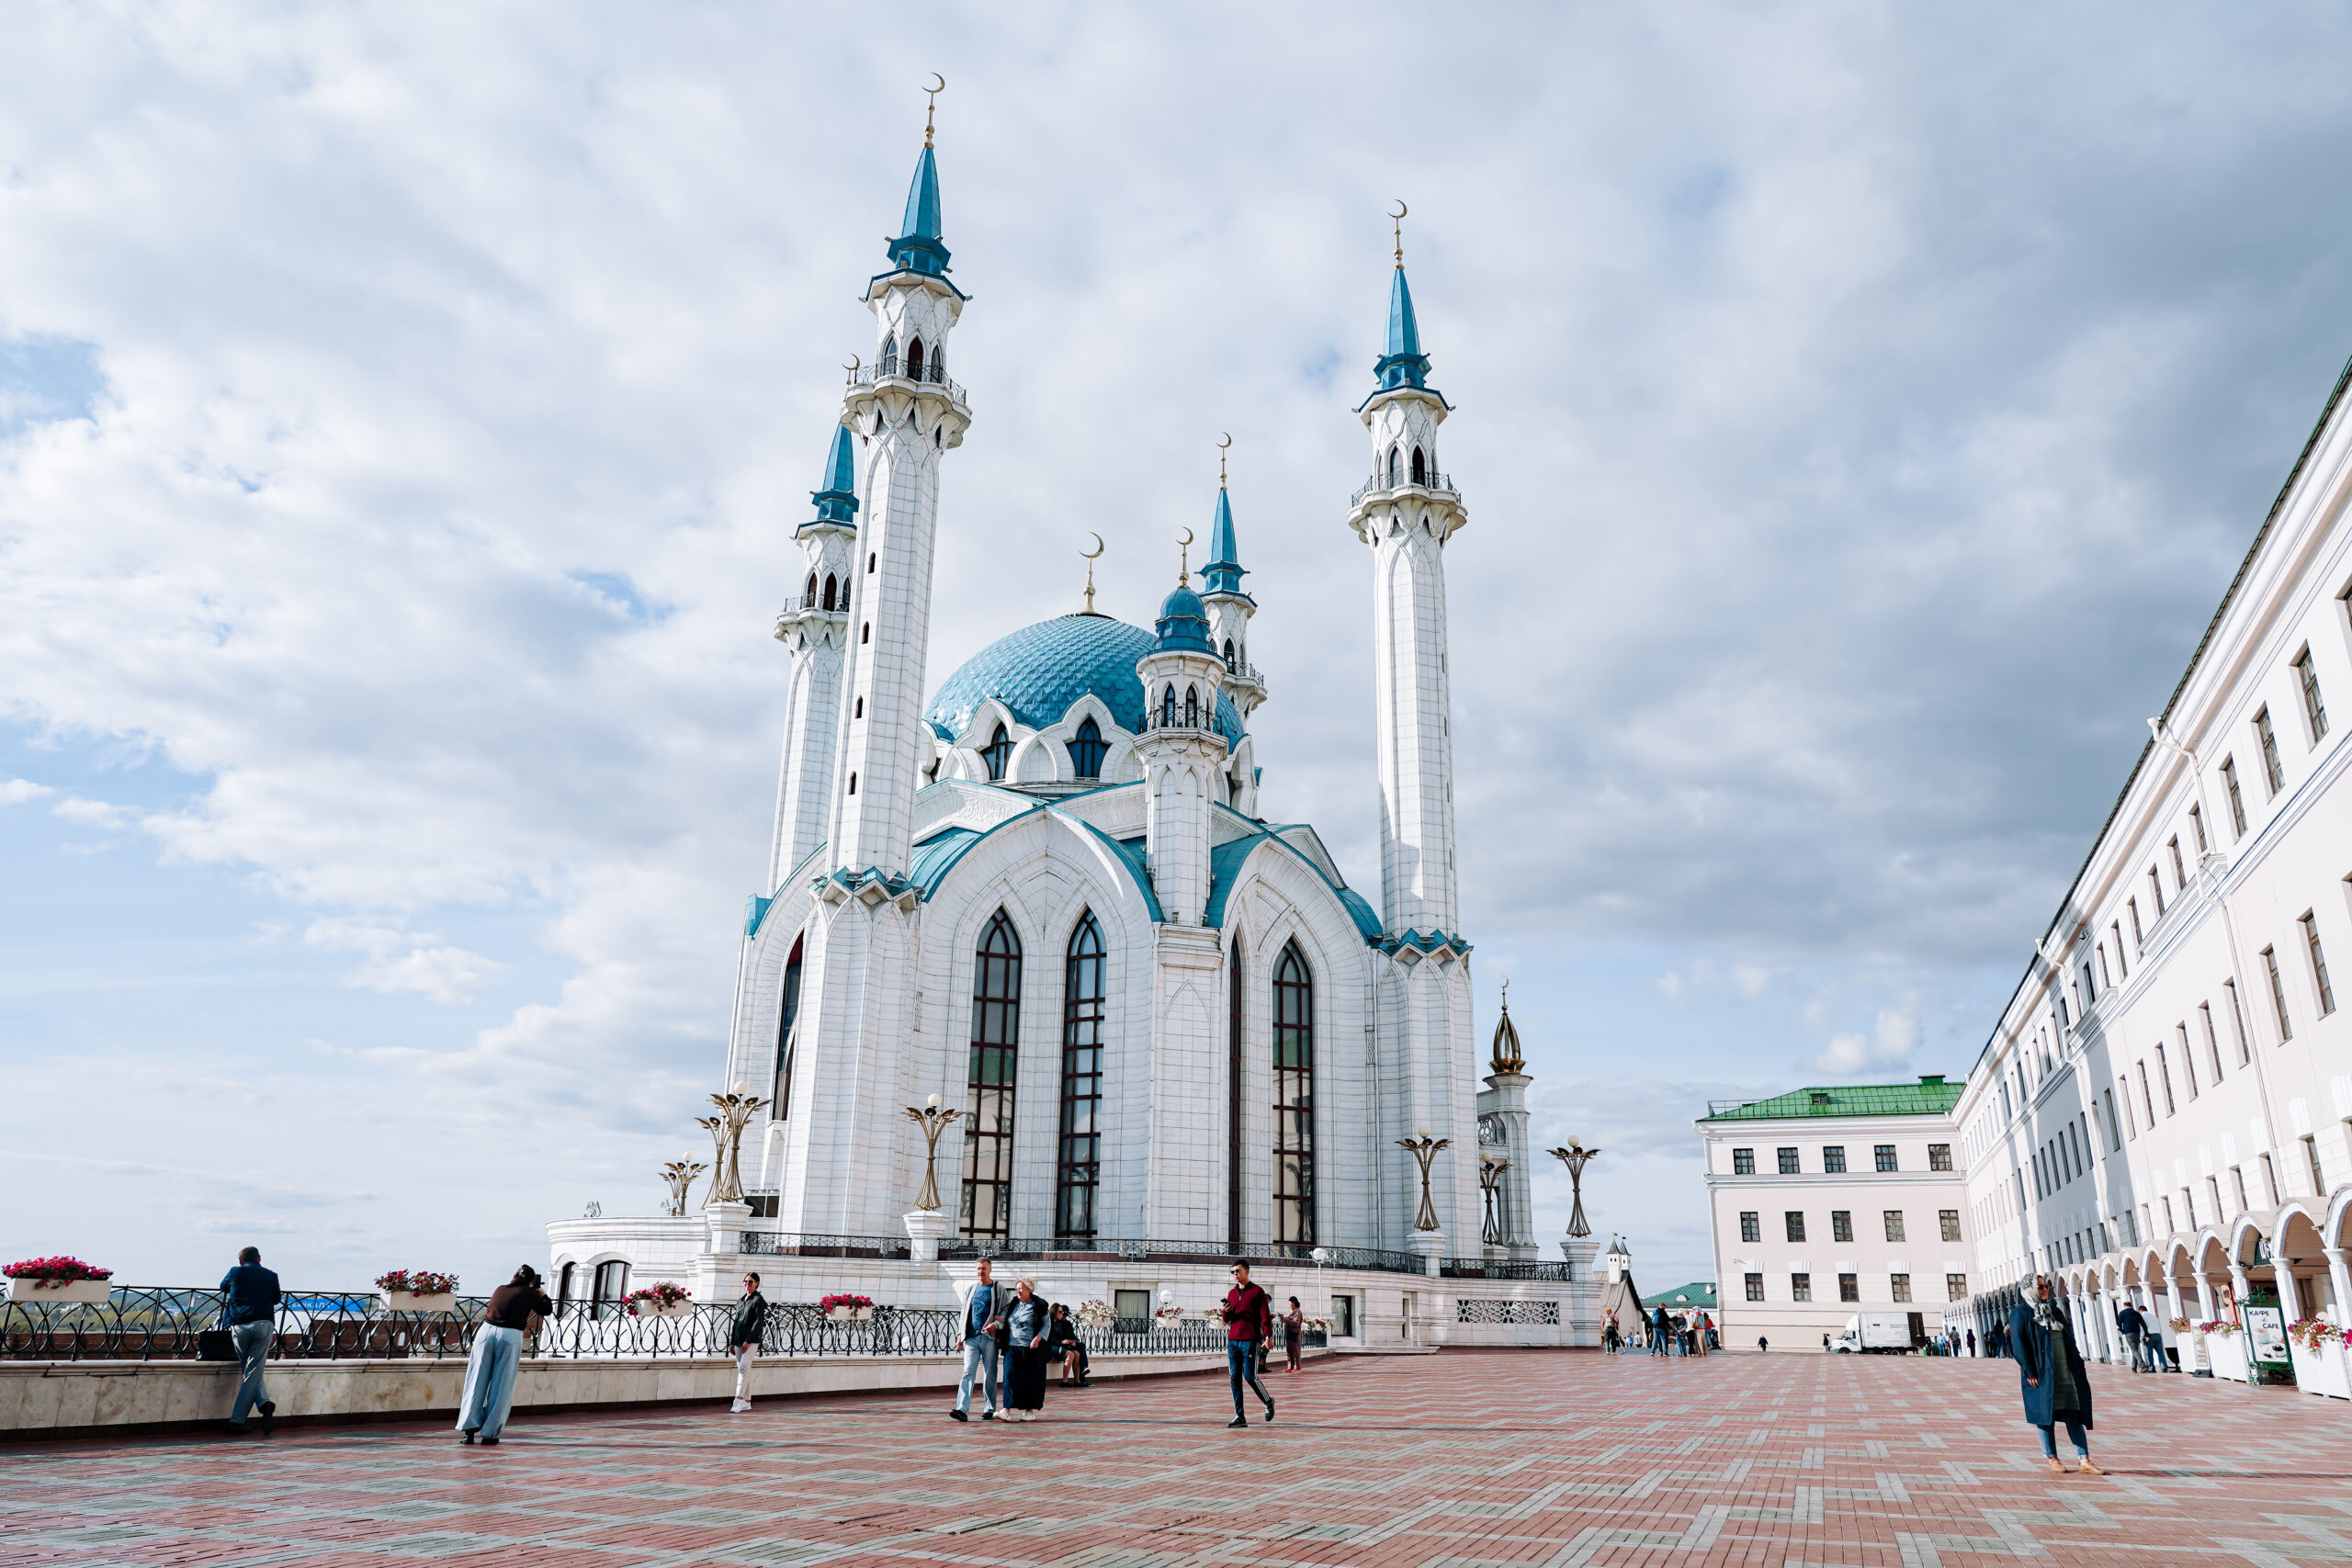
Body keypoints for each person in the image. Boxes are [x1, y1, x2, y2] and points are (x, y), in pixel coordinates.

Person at [2009, 1275, 2100, 1475]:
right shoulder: (2021, 1314)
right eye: (2040, 1287)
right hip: (2042, 1373)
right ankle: (2052, 1458)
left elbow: (2069, 1337)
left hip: (2066, 1371)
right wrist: (2028, 1369)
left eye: (2046, 1286)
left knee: (2074, 1414)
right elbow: (2018, 1343)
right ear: (2030, 1289)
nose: (2045, 1290)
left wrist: (2077, 1361)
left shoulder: (2054, 1311)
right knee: (2045, 1417)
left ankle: (2084, 1459)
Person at [458, 1265, 551, 1446]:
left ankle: (468, 1432)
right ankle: (490, 1434)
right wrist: (540, 1291)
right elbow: (546, 1310)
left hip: (485, 1332)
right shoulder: (530, 1293)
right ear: (531, 1281)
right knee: (502, 1384)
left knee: (476, 1379)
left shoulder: (500, 1288)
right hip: (509, 1334)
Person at [219, 1246, 282, 1438]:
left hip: (239, 1325)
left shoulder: (235, 1272)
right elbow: (277, 1299)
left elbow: (223, 1287)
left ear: (240, 1261)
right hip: (263, 1324)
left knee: (249, 1370)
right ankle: (258, 1407)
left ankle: (240, 1419)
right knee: (252, 1371)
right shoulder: (271, 1275)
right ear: (259, 1258)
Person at [950, 1258, 1010, 1422]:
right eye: (978, 1269)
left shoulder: (998, 1288)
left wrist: (996, 1325)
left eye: (983, 1269)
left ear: (990, 1269)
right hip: (971, 1337)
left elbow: (1006, 1309)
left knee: (989, 1373)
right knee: (968, 1372)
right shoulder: (971, 1289)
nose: (980, 1272)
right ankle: (962, 1409)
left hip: (989, 1338)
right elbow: (964, 1313)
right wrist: (959, 1335)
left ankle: (989, 1409)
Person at [1222, 1260, 1275, 1427]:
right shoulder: (1231, 1293)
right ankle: (1240, 1416)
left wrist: (1268, 1336)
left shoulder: (1257, 1291)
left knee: (1250, 1377)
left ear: (1247, 1271)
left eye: (1237, 1271)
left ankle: (1268, 1401)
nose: (1235, 1275)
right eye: (1232, 1272)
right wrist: (1226, 1312)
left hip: (1250, 1341)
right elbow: (1227, 1320)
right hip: (1233, 1341)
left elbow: (1265, 1315)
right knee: (1234, 1378)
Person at [1001, 1277, 1051, 1421]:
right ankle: (1006, 1410)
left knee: (1031, 1380)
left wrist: (1037, 1339)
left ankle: (1030, 1410)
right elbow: (1007, 1320)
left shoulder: (1039, 1305)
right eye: (1016, 1288)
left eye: (1021, 1288)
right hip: (1012, 1347)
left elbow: (1046, 1324)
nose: (1018, 1291)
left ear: (1029, 1289)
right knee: (1009, 1377)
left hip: (1031, 1348)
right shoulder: (1014, 1304)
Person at [729, 1272, 768, 1414]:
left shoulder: (758, 1300)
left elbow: (758, 1322)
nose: (747, 1284)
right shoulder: (741, 1300)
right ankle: (747, 1401)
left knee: (744, 1368)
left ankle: (738, 1400)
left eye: (750, 1282)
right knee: (743, 1370)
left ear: (757, 1283)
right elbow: (736, 1322)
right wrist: (732, 1342)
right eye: (745, 1281)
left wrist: (748, 1341)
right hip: (739, 1338)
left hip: (750, 1340)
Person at [1048, 1303, 1091, 1386]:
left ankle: (1077, 1381)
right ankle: (1065, 1381)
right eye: (1061, 1312)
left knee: (1077, 1353)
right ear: (1054, 1311)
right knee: (1070, 1354)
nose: (1063, 1315)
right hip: (1051, 1346)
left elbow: (1069, 1335)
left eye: (1063, 1313)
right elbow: (1047, 1338)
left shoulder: (1061, 1323)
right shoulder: (1049, 1323)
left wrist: (1071, 1341)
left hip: (1060, 1345)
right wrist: (1061, 1342)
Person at [1282, 1296, 1306, 1372]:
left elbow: (1296, 1323)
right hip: (1289, 1333)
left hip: (1295, 1334)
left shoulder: (1298, 1312)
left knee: (1296, 1351)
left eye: (1290, 1303)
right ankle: (1290, 1366)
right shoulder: (1291, 1312)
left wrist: (1286, 1319)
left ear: (1294, 1303)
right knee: (1289, 1351)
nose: (1289, 1305)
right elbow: (1288, 1320)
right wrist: (1283, 1319)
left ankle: (1297, 1367)